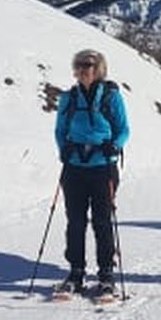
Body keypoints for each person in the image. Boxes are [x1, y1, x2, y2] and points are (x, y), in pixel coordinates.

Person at [54, 49, 130, 296]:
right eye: (79, 65)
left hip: (103, 167)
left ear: (99, 69)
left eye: (88, 65)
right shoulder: (69, 97)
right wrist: (63, 148)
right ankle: (76, 272)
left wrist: (115, 145)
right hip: (74, 167)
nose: (83, 69)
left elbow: (124, 129)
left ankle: (106, 273)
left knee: (102, 221)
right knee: (75, 221)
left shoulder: (111, 96)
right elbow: (60, 129)